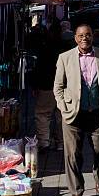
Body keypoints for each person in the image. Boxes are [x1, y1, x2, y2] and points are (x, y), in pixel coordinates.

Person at [53, 23, 99, 196]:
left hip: (98, 112)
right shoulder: (64, 58)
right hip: (73, 114)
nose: (84, 38)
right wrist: (64, 108)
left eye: (87, 35)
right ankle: (76, 190)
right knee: (73, 154)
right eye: (80, 35)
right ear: (75, 38)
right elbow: (58, 87)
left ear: (92, 36)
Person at [30, 22, 64, 153]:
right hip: (63, 86)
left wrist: (35, 85)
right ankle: (61, 142)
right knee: (61, 115)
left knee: (43, 114)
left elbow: (39, 68)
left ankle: (44, 142)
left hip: (46, 85)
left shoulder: (44, 48)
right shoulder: (66, 47)